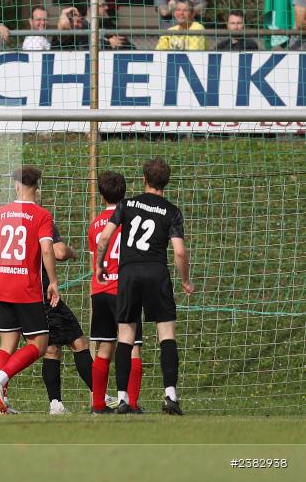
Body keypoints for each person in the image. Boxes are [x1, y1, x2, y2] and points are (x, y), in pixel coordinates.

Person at [94, 158, 194, 416]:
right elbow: (180, 252)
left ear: (144, 179)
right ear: (166, 182)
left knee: (125, 336)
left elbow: (105, 236)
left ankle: (122, 398)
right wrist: (185, 279)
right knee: (167, 335)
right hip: (156, 271)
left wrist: (101, 264)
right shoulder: (171, 211)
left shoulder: (127, 204)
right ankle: (171, 395)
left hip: (129, 273)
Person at [0, 166, 60, 415]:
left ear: (16, 185)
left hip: (3, 285)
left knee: (7, 343)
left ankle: (0, 405)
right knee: (39, 344)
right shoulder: (42, 215)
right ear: (37, 187)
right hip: (26, 288)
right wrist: (53, 281)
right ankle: (0, 379)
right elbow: (47, 250)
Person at [88, 171, 144, 415]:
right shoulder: (131, 220)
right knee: (132, 346)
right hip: (123, 290)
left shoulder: (95, 225)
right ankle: (129, 402)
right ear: (124, 194)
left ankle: (98, 404)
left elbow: (95, 259)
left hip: (100, 290)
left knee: (104, 347)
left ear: (102, 196)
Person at [36, 212, 100, 415]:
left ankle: (58, 403)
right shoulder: (41, 218)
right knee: (68, 344)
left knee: (58, 345)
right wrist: (72, 252)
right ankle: (96, 395)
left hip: (29, 290)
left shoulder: (13, 217)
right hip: (44, 291)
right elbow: (60, 251)